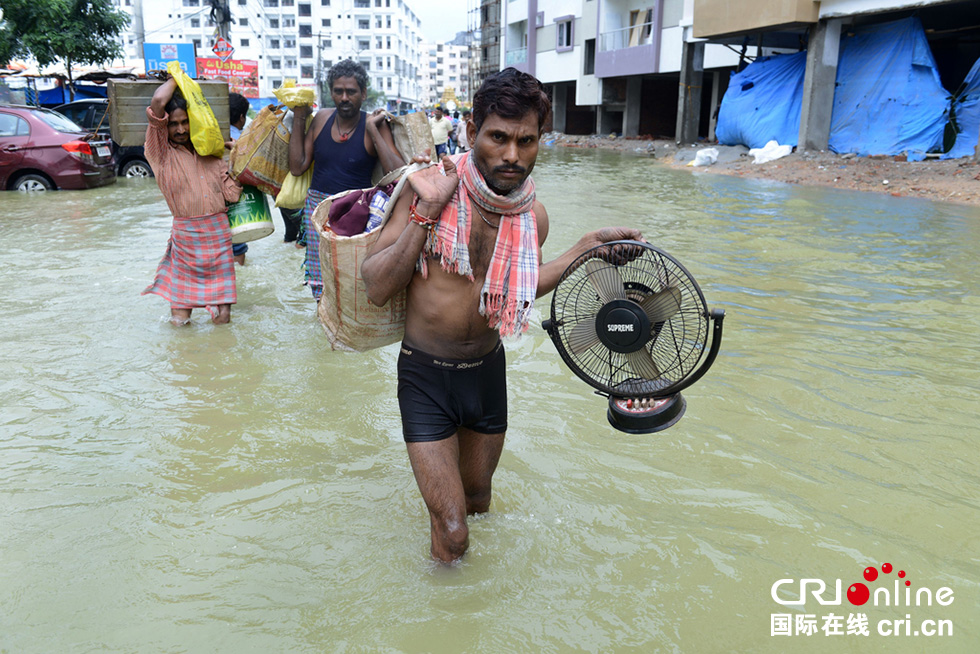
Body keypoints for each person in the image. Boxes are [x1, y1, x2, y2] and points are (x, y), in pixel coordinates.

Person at [361, 68, 644, 563]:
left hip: (487, 374)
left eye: (526, 141)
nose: (512, 155)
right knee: (453, 531)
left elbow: (512, 290)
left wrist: (587, 249)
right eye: (497, 138)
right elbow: (377, 287)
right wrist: (426, 213)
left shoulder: (533, 217)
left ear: (540, 140)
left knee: (477, 504)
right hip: (426, 376)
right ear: (472, 132)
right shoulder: (427, 188)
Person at [289, 59, 406, 300]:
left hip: (356, 211)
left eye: (351, 92)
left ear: (363, 94)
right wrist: (299, 118)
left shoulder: (374, 123)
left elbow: (399, 173)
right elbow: (297, 167)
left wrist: (373, 131)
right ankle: (323, 332)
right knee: (320, 284)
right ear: (331, 92)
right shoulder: (321, 119)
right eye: (338, 91)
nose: (344, 97)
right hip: (318, 209)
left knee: (352, 282)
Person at [142, 76, 243, 325]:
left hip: (219, 235)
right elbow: (157, 101)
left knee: (224, 317)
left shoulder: (212, 153)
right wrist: (178, 78)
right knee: (180, 317)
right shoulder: (160, 153)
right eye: (173, 124)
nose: (180, 129)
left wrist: (238, 159)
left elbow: (232, 195)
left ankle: (219, 361)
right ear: (165, 127)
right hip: (186, 237)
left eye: (186, 122)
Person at [227, 92, 252, 264]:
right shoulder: (242, 140)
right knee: (237, 245)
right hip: (234, 197)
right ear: (241, 117)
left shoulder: (211, 135)